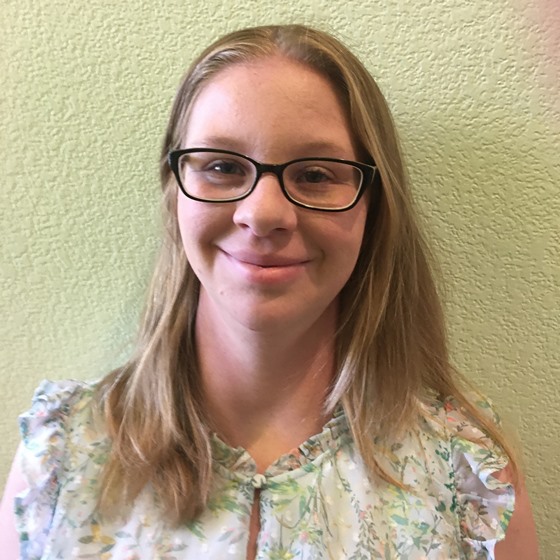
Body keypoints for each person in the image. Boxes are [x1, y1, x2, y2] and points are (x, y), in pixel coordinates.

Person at [0, 24, 538, 559]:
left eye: (316, 175)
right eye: (223, 167)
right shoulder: (61, 461)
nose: (263, 214)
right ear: (173, 193)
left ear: (374, 209)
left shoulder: (466, 478)